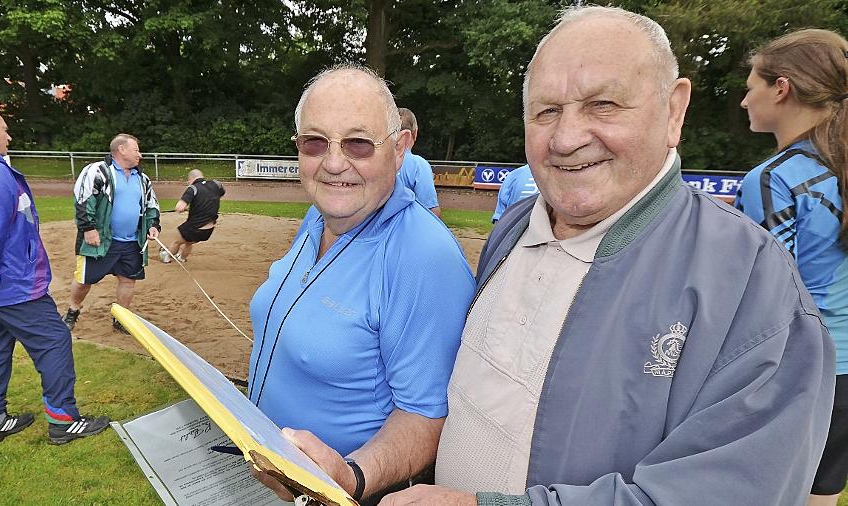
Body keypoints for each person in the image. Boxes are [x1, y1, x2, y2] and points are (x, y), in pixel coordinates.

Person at [286, 7, 836, 506]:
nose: (567, 137)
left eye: (603, 104)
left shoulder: (752, 285)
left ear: (674, 110)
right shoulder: (513, 231)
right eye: (546, 111)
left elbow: (726, 494)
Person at [249, 65, 475, 505]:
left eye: (358, 143)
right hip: (273, 477)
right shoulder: (318, 217)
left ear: (400, 148)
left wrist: (350, 476)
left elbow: (427, 416)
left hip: (344, 493)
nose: (335, 164)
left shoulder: (422, 256)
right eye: (315, 142)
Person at [0, 105, 110, 447]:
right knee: (53, 340)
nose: (9, 136)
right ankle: (63, 420)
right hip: (9, 283)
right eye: (4, 128)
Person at [733, 29, 848, 506]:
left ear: (781, 89)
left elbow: (766, 297)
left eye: (752, 85)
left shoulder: (775, 179)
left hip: (802, 369)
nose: (744, 101)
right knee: (820, 494)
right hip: (845, 372)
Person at [62, 134, 160, 333]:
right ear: (121, 150)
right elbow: (83, 199)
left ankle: (121, 318)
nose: (140, 155)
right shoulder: (97, 171)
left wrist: (153, 225)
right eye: (136, 150)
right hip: (101, 240)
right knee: (84, 280)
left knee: (128, 280)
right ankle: (73, 309)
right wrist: (88, 228)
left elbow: (151, 205)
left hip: (132, 242)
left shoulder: (142, 179)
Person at [159, 169, 225, 263]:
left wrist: (181, 209)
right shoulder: (215, 184)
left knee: (177, 241)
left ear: (191, 179)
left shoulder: (193, 188)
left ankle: (167, 256)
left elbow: (179, 207)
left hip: (195, 227)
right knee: (188, 242)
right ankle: (182, 258)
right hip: (209, 230)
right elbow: (216, 195)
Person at [396, 108, 441, 217]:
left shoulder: (375, 162)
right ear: (415, 133)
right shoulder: (418, 165)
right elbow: (431, 210)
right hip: (406, 230)